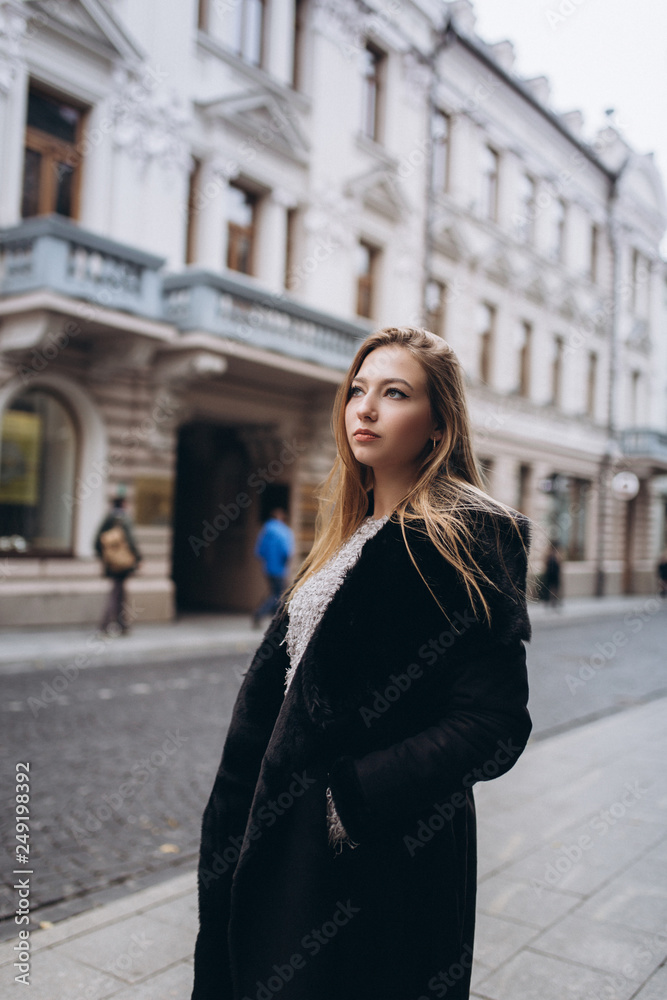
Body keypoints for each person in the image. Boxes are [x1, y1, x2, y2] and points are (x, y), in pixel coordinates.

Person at [191, 327, 532, 1000]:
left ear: (437, 425)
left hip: (375, 866)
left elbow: (492, 722)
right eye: (357, 391)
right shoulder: (346, 536)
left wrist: (349, 800)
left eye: (394, 393)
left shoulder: (465, 541)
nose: (364, 409)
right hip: (277, 842)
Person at [94, 492, 141, 635]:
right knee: (117, 592)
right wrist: (138, 558)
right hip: (123, 562)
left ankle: (121, 624)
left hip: (111, 562)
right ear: (123, 504)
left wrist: (105, 557)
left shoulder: (108, 518)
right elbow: (131, 541)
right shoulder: (124, 519)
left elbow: (96, 541)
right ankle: (108, 624)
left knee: (119, 591)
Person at [251, 508, 294, 627]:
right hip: (279, 569)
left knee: (275, 593)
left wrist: (268, 560)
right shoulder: (284, 531)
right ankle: (260, 614)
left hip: (268, 568)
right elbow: (286, 551)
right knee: (278, 595)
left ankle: (275, 619)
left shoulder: (266, 530)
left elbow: (259, 551)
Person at [543, 541, 562, 607]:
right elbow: (545, 563)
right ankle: (548, 601)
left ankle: (554, 602)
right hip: (549, 574)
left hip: (555, 574)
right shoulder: (548, 554)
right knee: (549, 588)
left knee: (556, 588)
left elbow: (560, 563)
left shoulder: (558, 554)